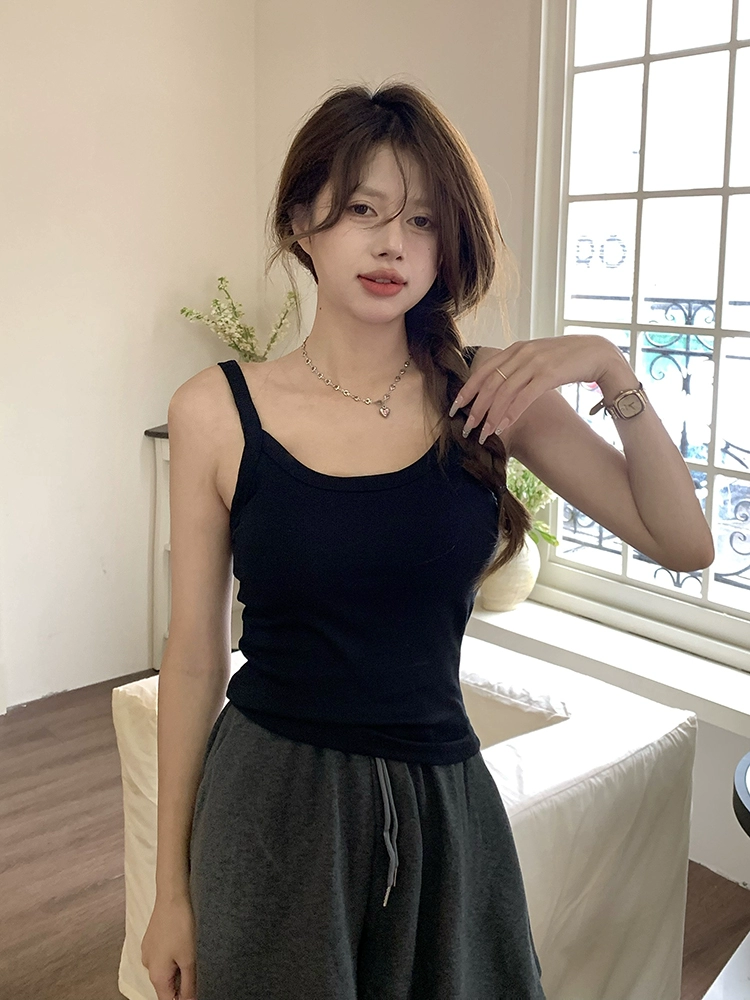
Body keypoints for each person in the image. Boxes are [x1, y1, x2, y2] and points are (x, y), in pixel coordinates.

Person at [140, 80, 714, 1000]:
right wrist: (170, 890)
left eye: (421, 220)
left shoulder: (488, 394)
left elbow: (685, 544)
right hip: (270, 806)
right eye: (362, 210)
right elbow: (196, 657)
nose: (392, 244)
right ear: (301, 222)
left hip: (442, 805)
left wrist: (609, 367)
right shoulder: (216, 409)